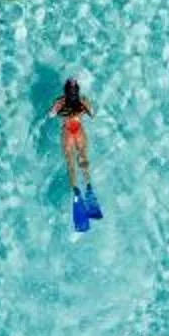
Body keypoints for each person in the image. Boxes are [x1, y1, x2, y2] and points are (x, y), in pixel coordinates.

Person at [48, 77, 101, 226]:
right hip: (78, 131)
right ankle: (88, 187)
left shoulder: (60, 102)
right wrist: (88, 104)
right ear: (77, 91)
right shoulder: (82, 101)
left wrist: (56, 105)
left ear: (65, 91)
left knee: (71, 164)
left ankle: (77, 193)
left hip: (67, 133)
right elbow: (93, 114)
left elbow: (50, 115)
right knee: (83, 159)